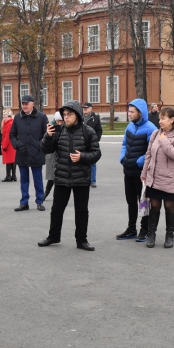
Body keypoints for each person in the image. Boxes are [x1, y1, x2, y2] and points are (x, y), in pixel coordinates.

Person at [38, 100, 101, 251]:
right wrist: (48, 136)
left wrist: (82, 157)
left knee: (81, 211)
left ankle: (81, 240)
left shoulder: (88, 132)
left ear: (77, 115)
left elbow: (96, 154)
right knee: (57, 209)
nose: (66, 118)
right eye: (64, 115)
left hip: (81, 178)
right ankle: (53, 236)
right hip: (61, 176)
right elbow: (45, 149)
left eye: (69, 115)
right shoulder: (59, 131)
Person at [140, 107, 174, 248]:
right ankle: (151, 234)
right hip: (154, 178)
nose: (160, 121)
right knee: (154, 206)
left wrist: (164, 141)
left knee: (169, 206)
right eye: (159, 118)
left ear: (172, 120)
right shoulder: (155, 134)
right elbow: (149, 154)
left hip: (170, 179)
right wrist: (144, 173)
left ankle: (169, 235)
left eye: (163, 118)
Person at [116, 99, 158, 242]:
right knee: (130, 201)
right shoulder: (130, 126)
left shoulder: (151, 128)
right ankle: (131, 228)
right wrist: (123, 157)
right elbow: (124, 144)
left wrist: (139, 161)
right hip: (128, 170)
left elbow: (151, 150)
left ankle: (144, 229)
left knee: (143, 201)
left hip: (141, 172)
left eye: (132, 112)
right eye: (129, 111)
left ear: (140, 113)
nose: (129, 114)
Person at [10, 94, 48, 211]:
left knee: (38, 179)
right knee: (24, 179)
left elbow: (46, 135)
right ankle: (24, 202)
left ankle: (39, 201)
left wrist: (39, 145)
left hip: (36, 153)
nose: (24, 106)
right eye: (23, 104)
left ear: (33, 104)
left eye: (27, 104)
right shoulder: (17, 117)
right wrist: (16, 144)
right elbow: (12, 134)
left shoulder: (41, 117)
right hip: (22, 153)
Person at [43, 113, 64, 200]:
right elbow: (45, 142)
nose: (60, 123)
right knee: (51, 177)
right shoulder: (51, 128)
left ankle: (58, 196)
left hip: (61, 154)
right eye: (58, 121)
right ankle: (45, 194)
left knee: (60, 177)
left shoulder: (66, 128)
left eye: (62, 121)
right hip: (51, 155)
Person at [82, 102, 103, 187]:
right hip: (82, 143)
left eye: (86, 108)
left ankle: (93, 181)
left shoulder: (95, 118)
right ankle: (83, 179)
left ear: (91, 109)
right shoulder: (80, 118)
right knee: (82, 161)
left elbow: (99, 130)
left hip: (92, 143)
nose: (84, 109)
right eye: (83, 108)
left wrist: (96, 140)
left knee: (92, 162)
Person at [0, 109, 17, 181]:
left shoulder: (9, 124)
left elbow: (7, 136)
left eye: (5, 116)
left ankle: (8, 176)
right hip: (11, 145)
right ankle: (13, 176)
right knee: (12, 160)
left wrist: (3, 145)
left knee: (8, 161)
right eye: (3, 116)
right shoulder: (11, 123)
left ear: (9, 116)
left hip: (8, 145)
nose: (4, 118)